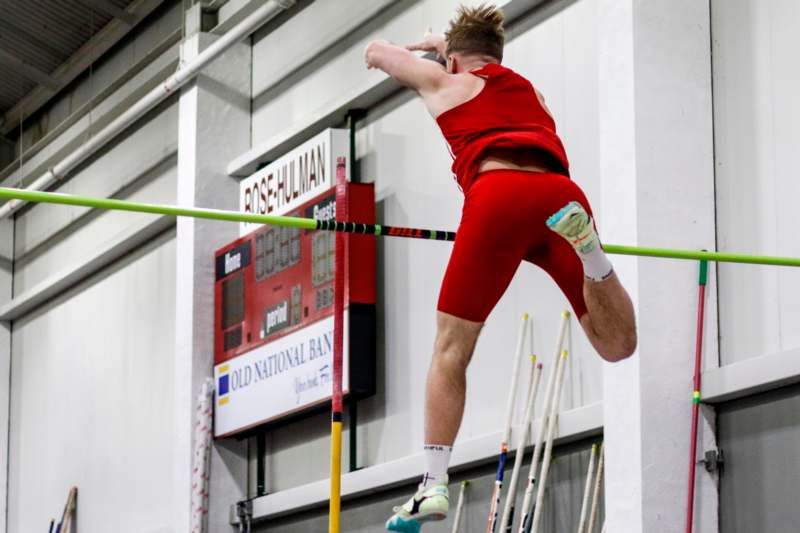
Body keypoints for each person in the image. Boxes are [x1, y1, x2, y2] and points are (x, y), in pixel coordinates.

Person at [363, 4, 637, 531]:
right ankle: (592, 254)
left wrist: (431, 51)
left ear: (456, 59)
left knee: (451, 347)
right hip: (560, 197)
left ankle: (433, 483)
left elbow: (376, 53)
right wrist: (448, 48)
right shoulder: (531, 91)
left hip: (499, 196)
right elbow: (481, 72)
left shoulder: (449, 83)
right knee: (617, 345)